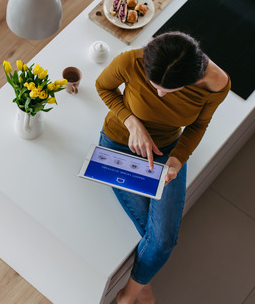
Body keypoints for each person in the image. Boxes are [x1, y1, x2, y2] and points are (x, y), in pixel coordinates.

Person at [95, 31, 230, 304]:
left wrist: (178, 159)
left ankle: (127, 294)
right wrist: (132, 123)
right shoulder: (131, 61)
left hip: (167, 151)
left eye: (168, 90)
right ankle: (141, 288)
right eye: (154, 85)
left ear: (192, 80)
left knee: (162, 239)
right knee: (159, 239)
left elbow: (198, 125)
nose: (159, 93)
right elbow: (103, 87)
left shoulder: (216, 83)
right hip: (119, 144)